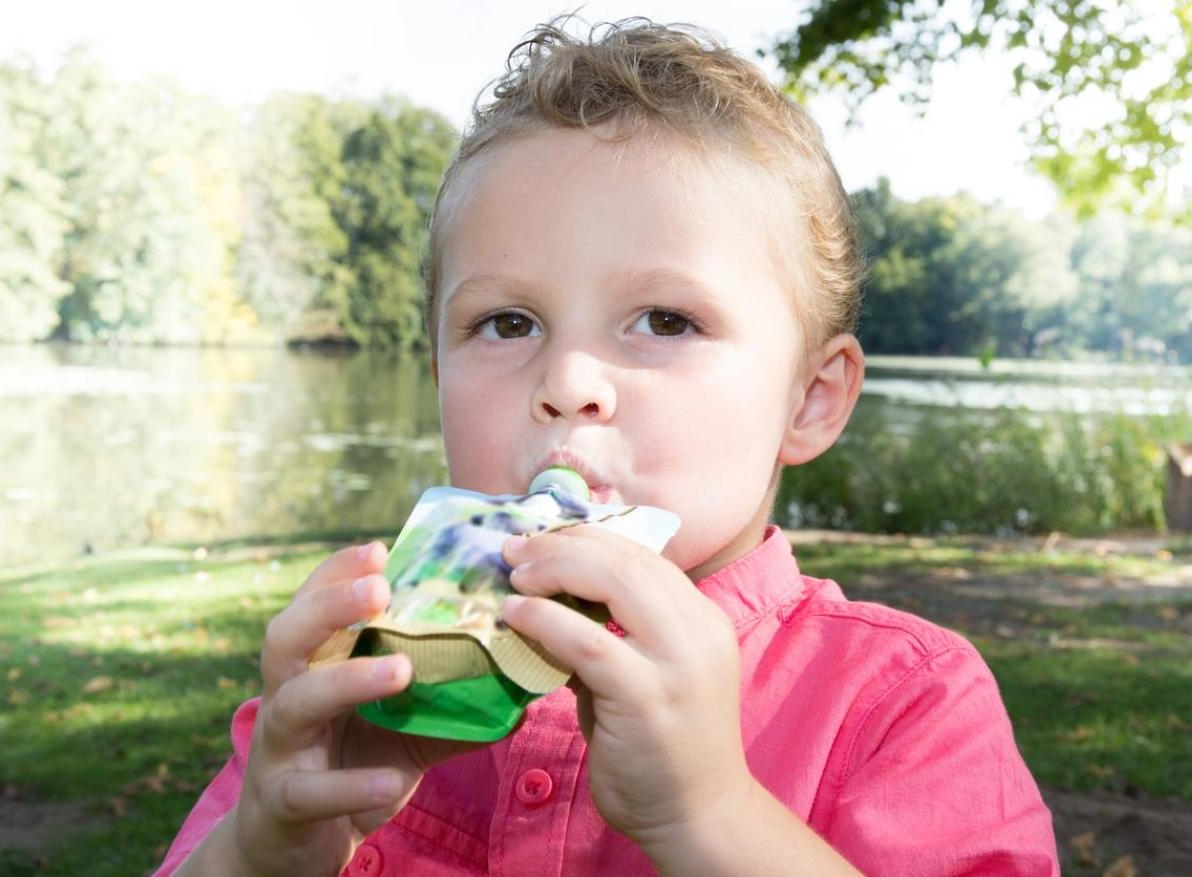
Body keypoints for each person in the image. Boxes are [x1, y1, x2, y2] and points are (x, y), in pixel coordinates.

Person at [157, 18, 1058, 876]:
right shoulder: (350, 681)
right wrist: (265, 847)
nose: (569, 379)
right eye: (507, 322)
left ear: (810, 399)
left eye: (665, 319)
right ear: (438, 375)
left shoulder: (903, 704)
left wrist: (711, 817)